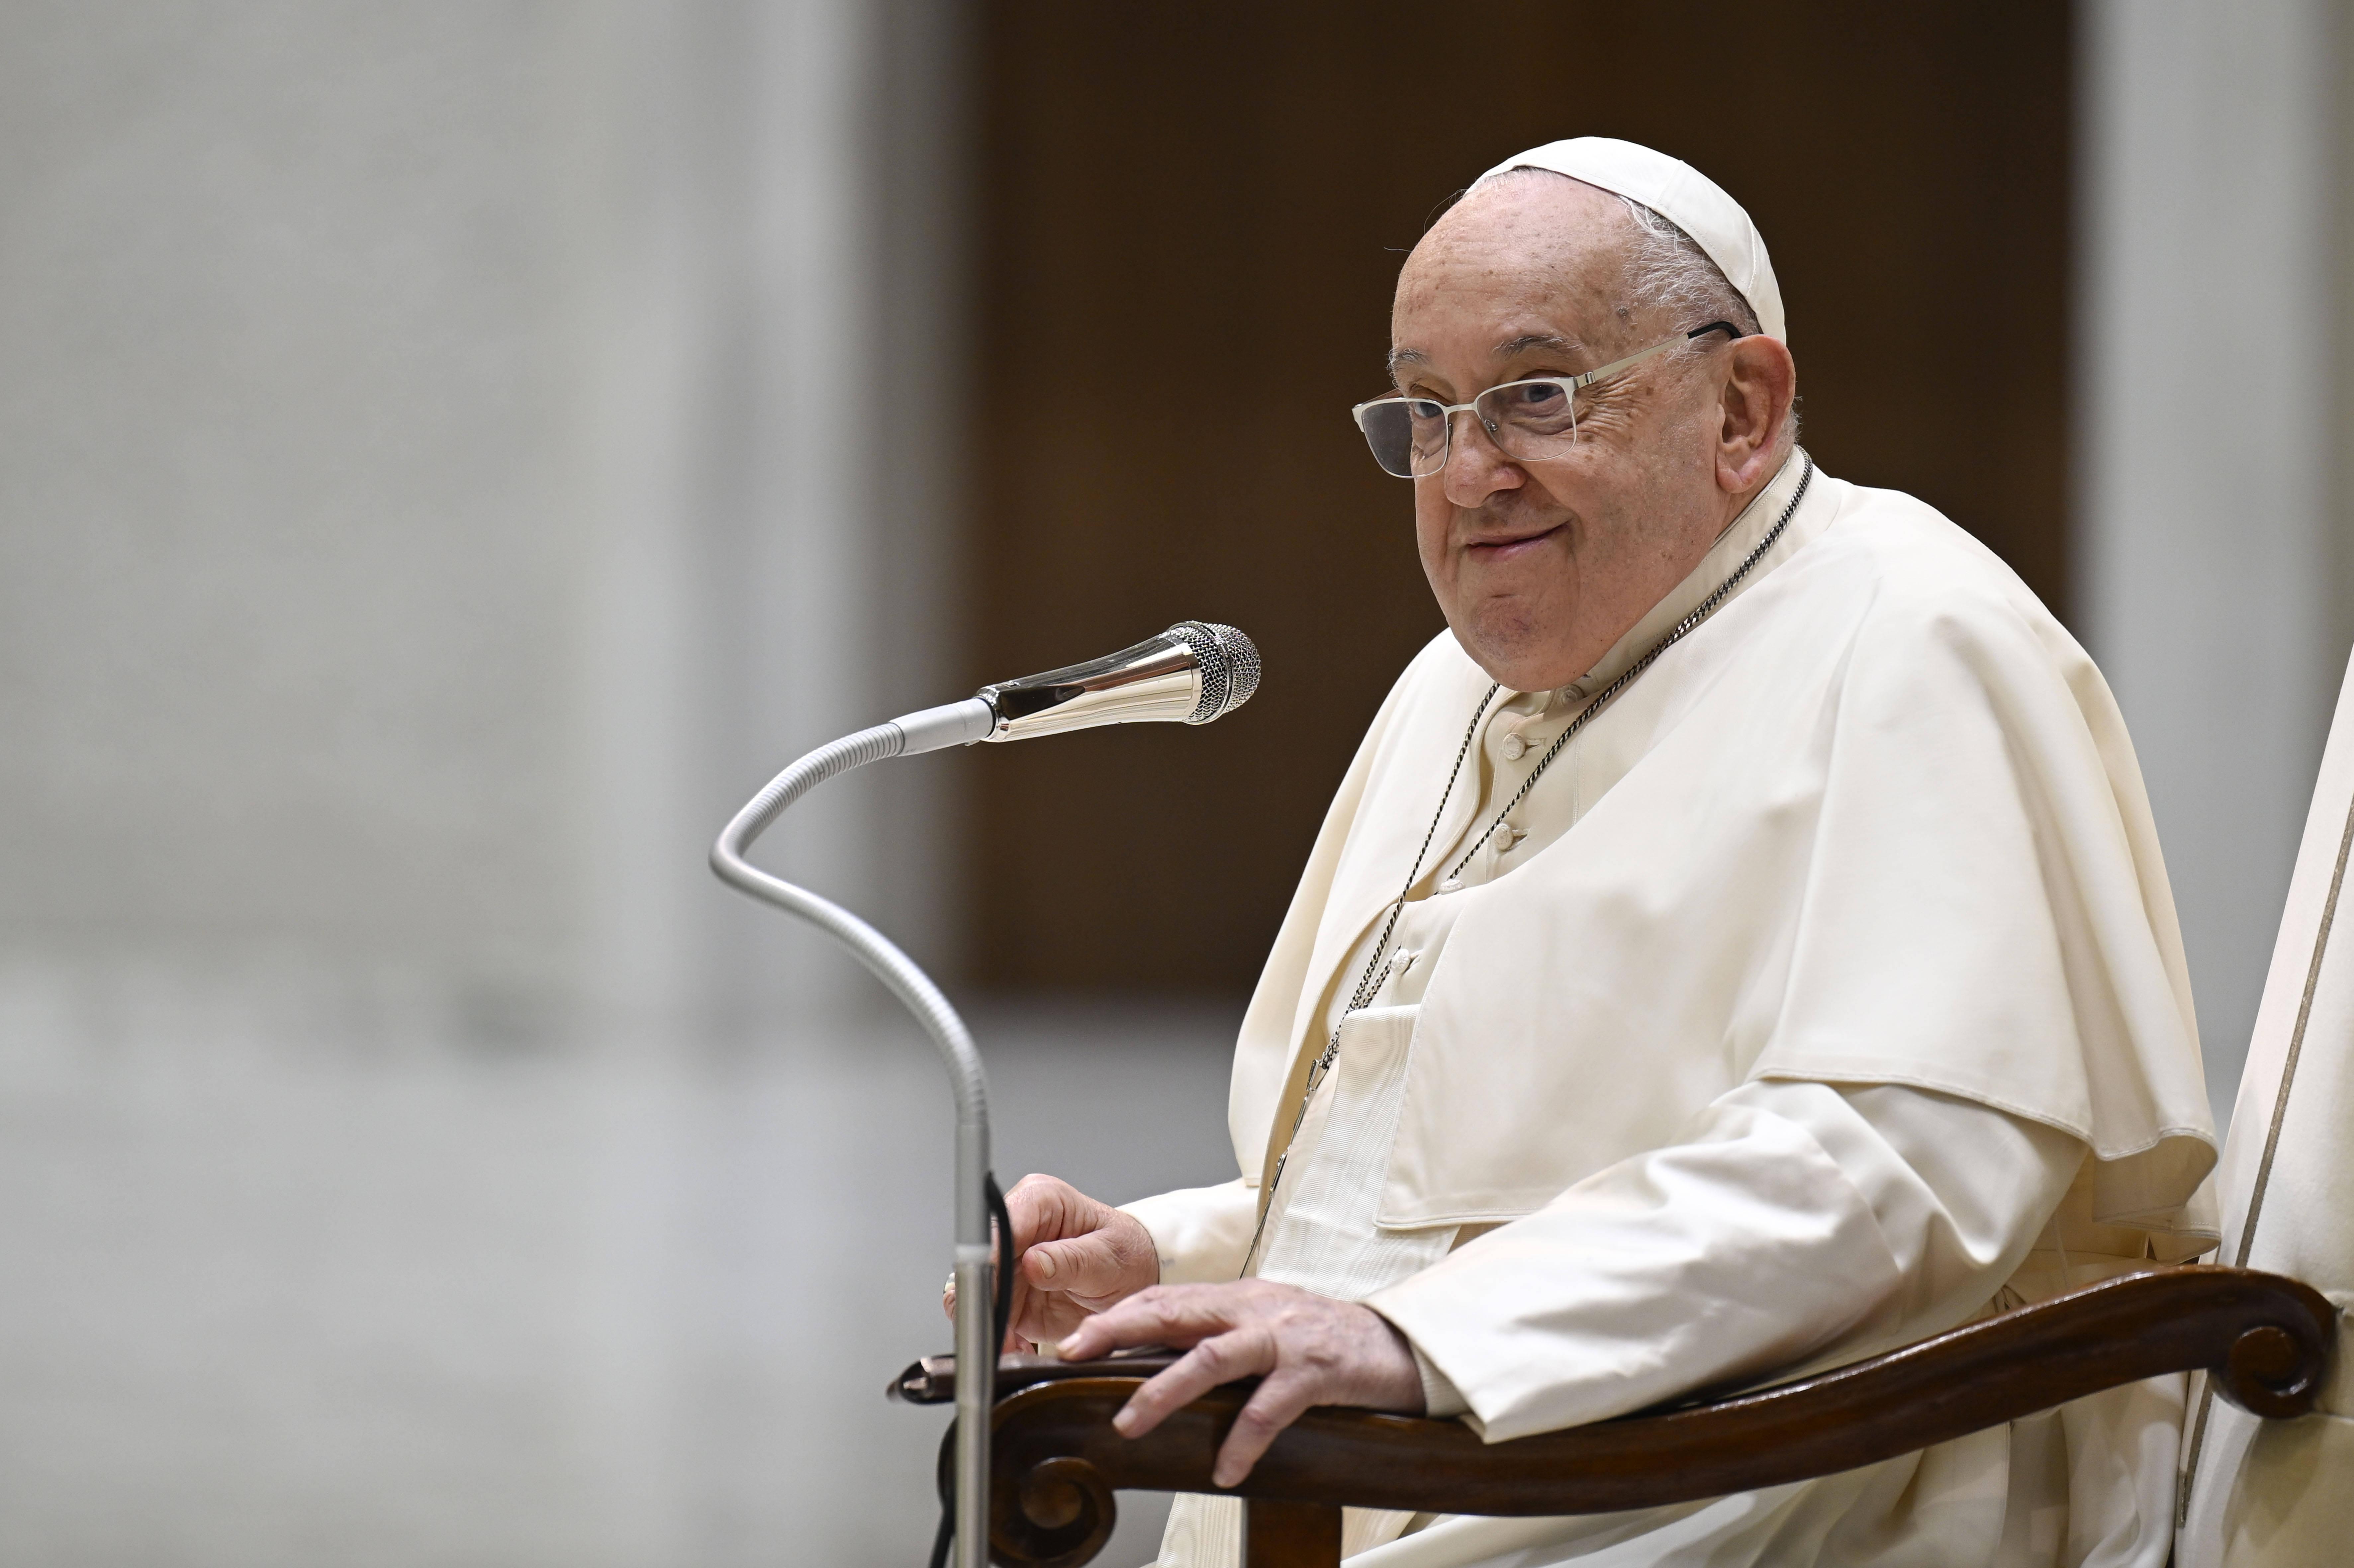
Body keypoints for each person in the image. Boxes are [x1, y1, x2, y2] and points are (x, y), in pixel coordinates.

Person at [956, 138, 2218, 1567]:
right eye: (1423, 415)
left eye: (1534, 396)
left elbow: (1897, 1163)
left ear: (1741, 403)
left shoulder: (1911, 636)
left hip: (1775, 1489)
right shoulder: (1450, 684)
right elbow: (1451, 1180)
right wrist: (1167, 1260)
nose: (1467, 472)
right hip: (1468, 1454)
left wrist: (1414, 1339)